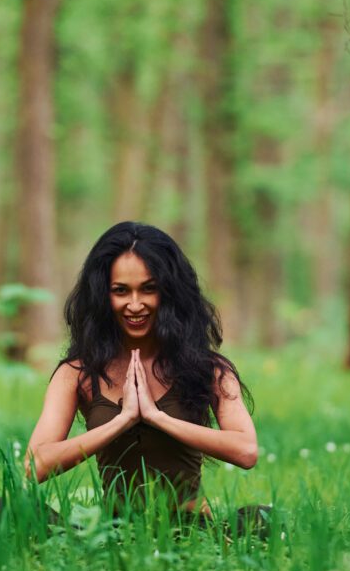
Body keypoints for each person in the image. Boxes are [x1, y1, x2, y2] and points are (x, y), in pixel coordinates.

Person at [24, 221, 260, 524]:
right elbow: (35, 465)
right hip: (114, 530)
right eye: (121, 291)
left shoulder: (208, 369)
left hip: (191, 527)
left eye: (149, 289)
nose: (135, 305)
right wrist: (122, 421)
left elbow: (247, 451)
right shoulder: (77, 373)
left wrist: (157, 417)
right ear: (102, 297)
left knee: (264, 519)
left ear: (171, 293)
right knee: (16, 510)